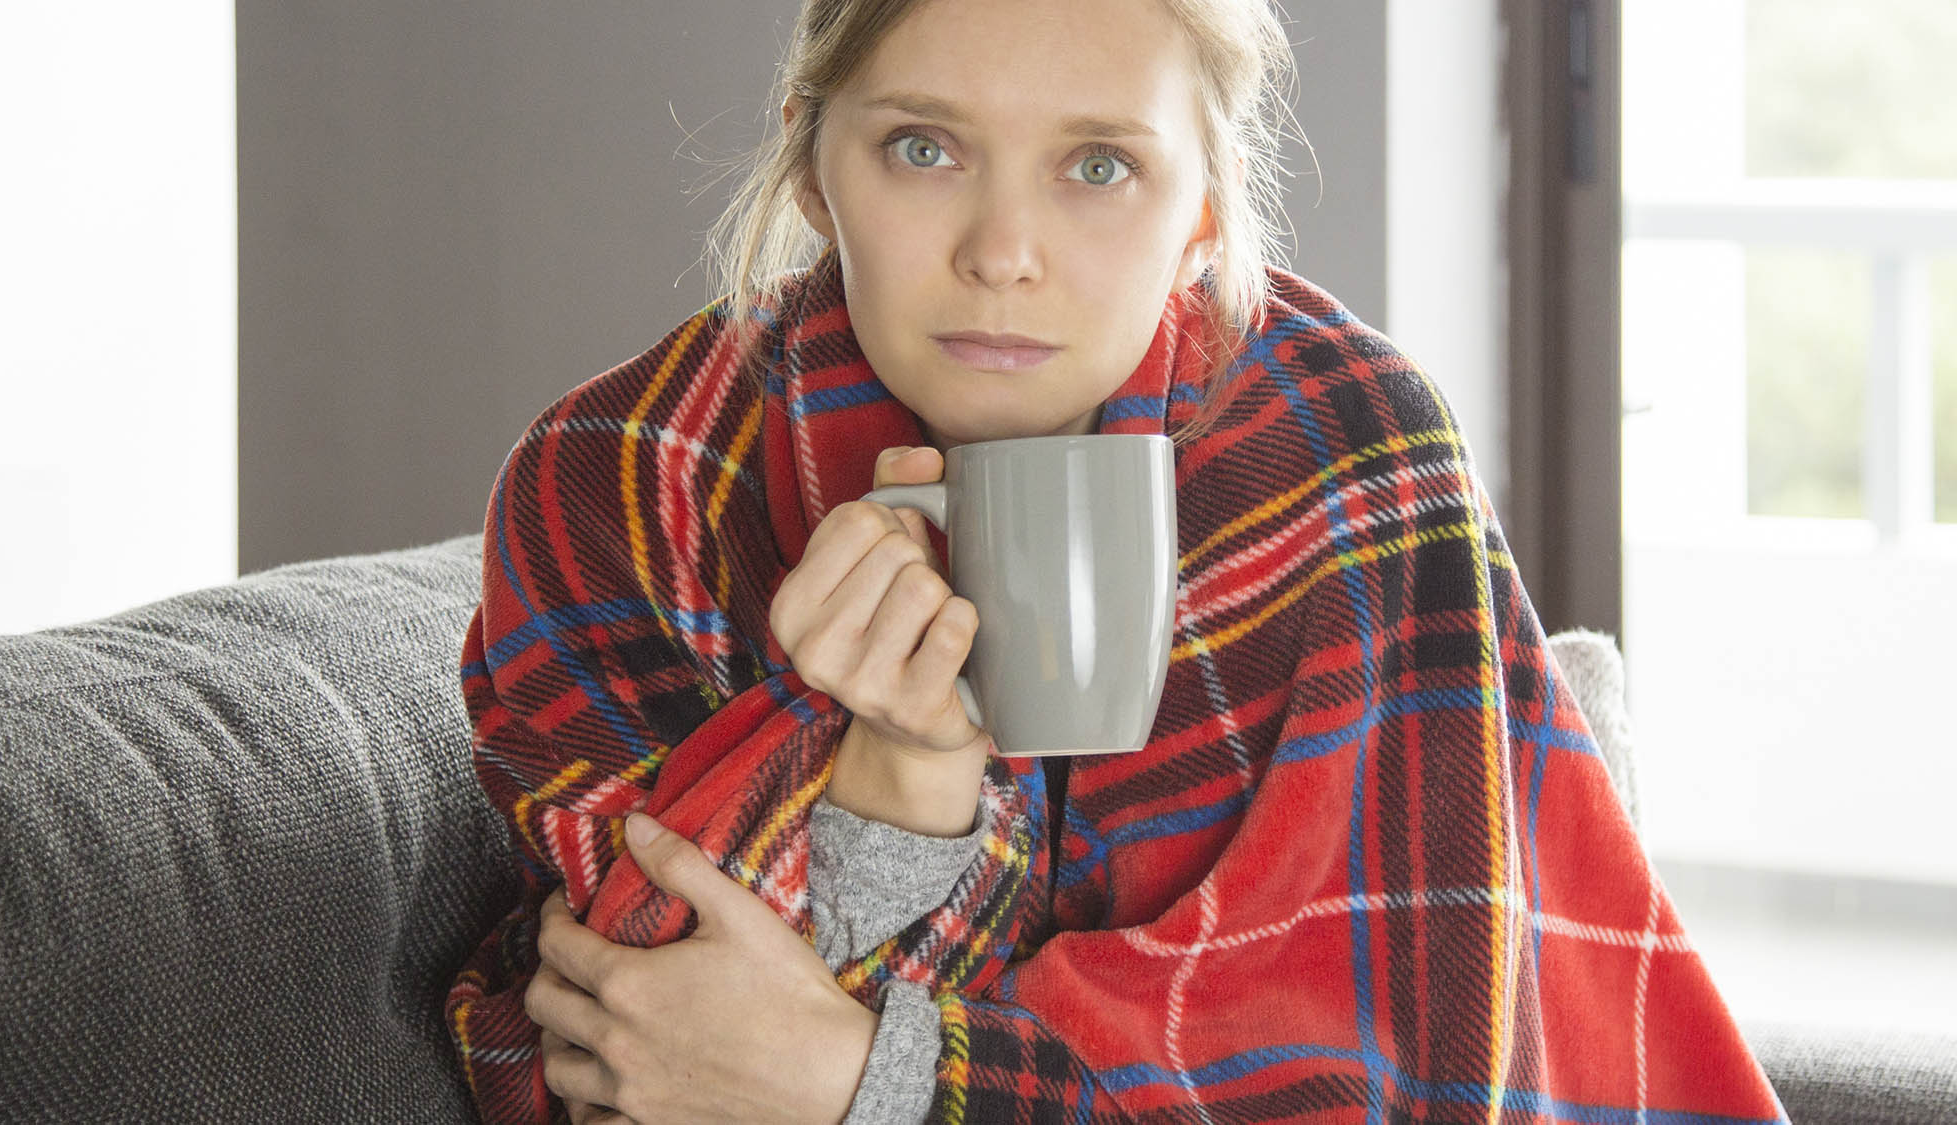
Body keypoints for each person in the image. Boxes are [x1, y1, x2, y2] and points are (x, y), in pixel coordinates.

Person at [443, 0, 1786, 1121]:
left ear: (1204, 209)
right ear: (811, 164)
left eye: (1098, 166)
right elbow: (634, 1055)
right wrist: (900, 779)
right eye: (922, 148)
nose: (1002, 255)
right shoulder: (622, 477)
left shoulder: (1347, 445)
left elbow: (1409, 1068)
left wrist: (871, 1080)